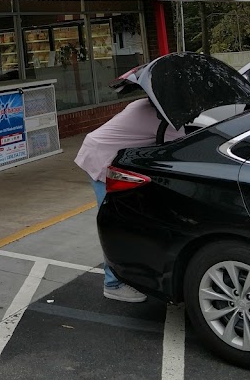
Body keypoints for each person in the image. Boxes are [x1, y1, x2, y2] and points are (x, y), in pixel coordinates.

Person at [75, 97, 183, 303]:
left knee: (120, 220)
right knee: (114, 223)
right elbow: (180, 148)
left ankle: (125, 274)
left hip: (98, 151)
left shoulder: (143, 103)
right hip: (102, 160)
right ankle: (113, 284)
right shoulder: (164, 119)